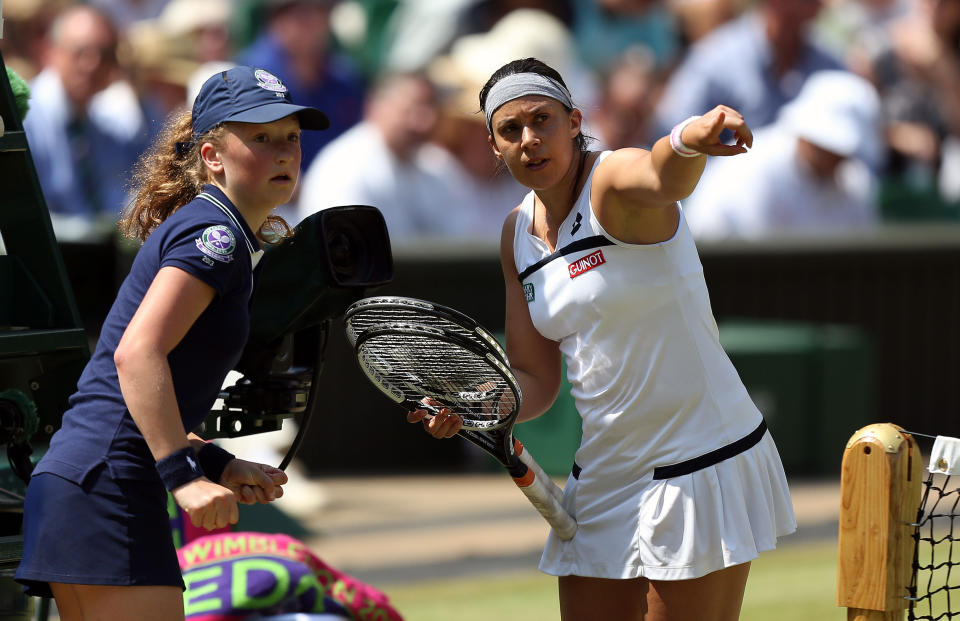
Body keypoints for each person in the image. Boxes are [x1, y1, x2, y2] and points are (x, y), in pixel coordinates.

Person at [408, 57, 796, 620]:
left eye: (541, 120)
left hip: (698, 461)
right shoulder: (514, 234)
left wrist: (689, 138)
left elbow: (662, 176)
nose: (529, 140)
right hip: (603, 477)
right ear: (494, 148)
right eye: (509, 131)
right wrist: (474, 408)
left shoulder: (611, 181)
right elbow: (536, 380)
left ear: (574, 122)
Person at [14, 65, 331, 620]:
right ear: (212, 155)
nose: (284, 153)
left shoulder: (218, 229)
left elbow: (129, 393)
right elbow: (136, 355)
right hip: (106, 485)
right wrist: (182, 477)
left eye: (292, 138)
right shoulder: (216, 234)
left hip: (88, 482)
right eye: (261, 137)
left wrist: (214, 461)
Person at [683, 70, 884, 239]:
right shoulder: (752, 170)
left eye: (840, 151)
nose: (832, 156)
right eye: (825, 145)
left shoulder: (854, 183)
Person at [23, 4, 150, 242]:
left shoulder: (107, 131)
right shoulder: (23, 120)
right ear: (51, 51)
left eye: (104, 54)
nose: (92, 64)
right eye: (81, 51)